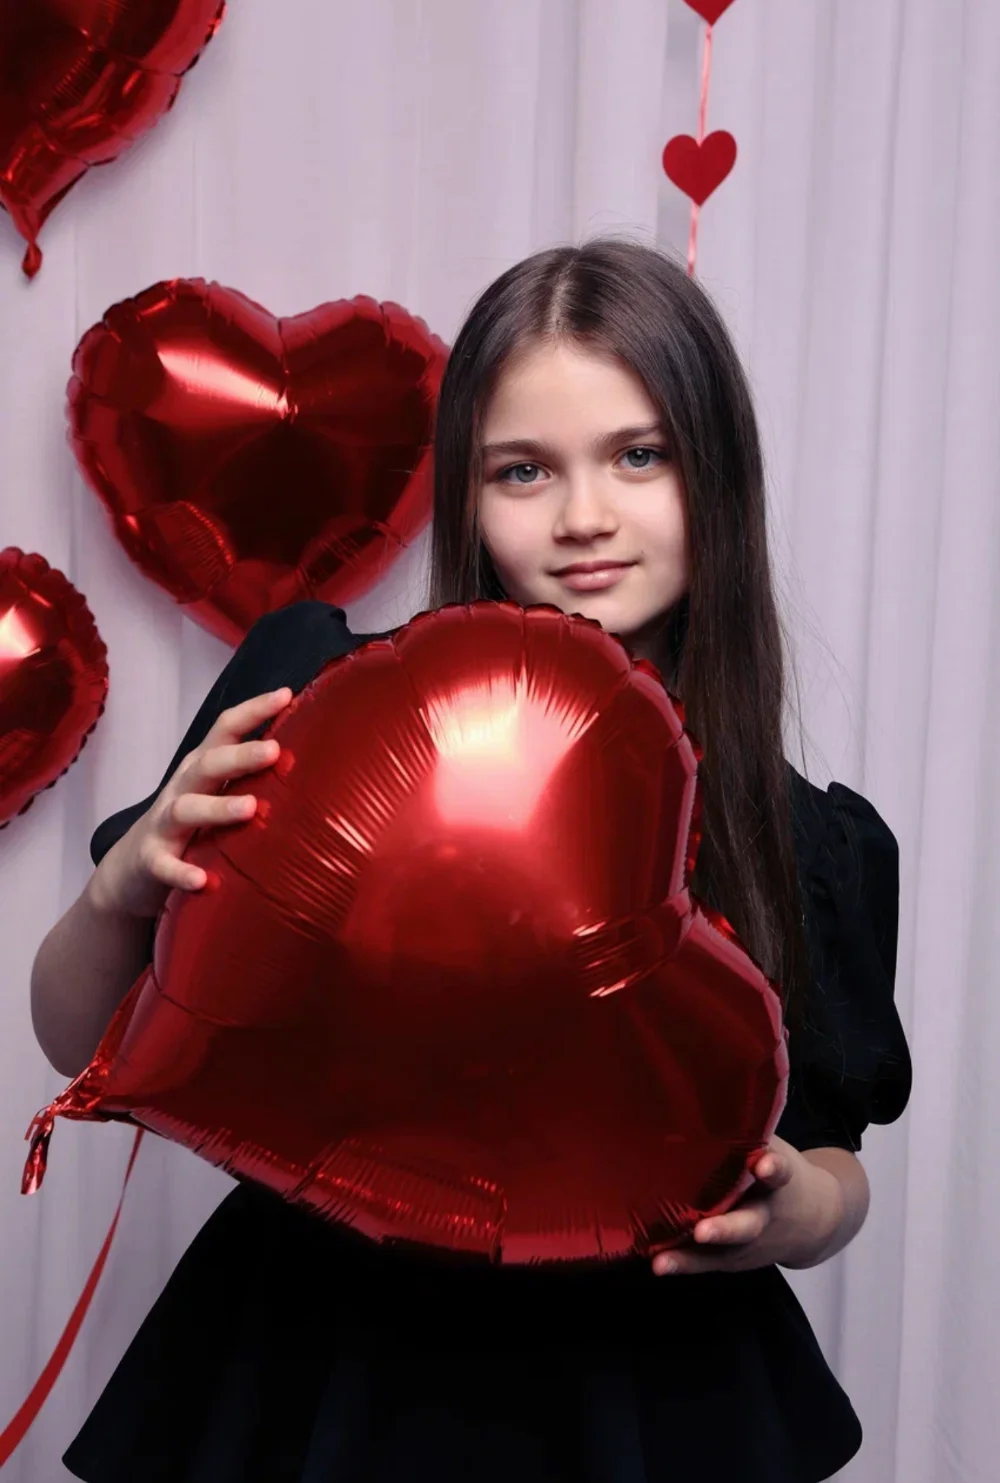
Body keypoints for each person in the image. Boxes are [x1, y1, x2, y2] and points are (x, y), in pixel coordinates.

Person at [31, 239, 912, 1483]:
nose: (584, 515)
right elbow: (81, 1041)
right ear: (467, 491)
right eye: (523, 469)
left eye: (639, 454)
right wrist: (121, 885)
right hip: (324, 1368)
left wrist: (806, 1211)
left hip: (647, 1387)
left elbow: (832, 1154)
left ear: (718, 472)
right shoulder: (314, 706)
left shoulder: (803, 838)